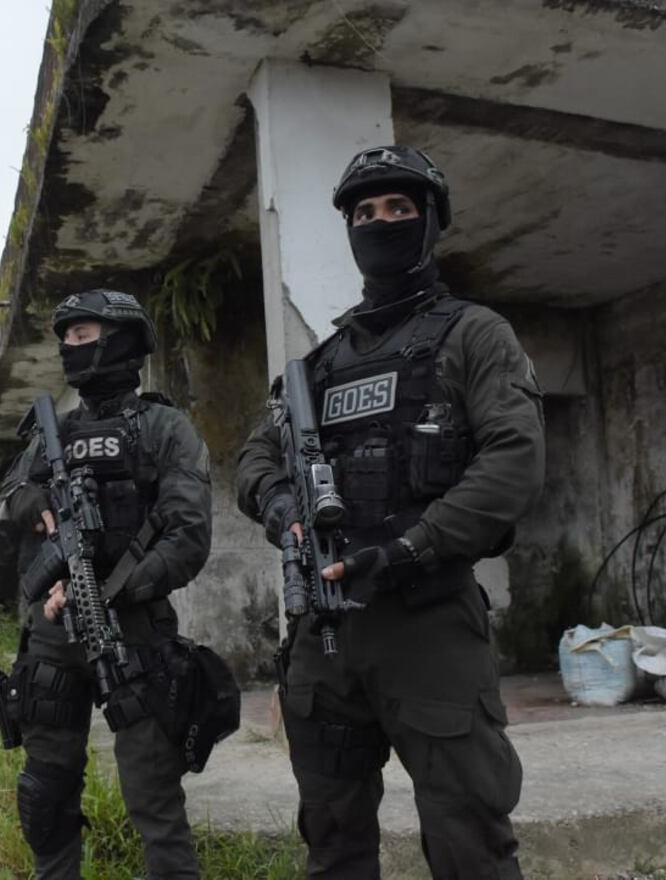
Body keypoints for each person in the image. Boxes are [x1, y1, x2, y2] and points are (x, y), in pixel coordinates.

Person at [235, 145, 545, 879]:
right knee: (333, 841)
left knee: (470, 839)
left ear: (431, 221)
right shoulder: (315, 368)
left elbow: (513, 464)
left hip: (428, 623)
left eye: (399, 208)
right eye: (365, 212)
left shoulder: (474, 335)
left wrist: (409, 548)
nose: (381, 222)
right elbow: (254, 461)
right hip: (326, 633)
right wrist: (288, 513)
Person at [0, 289, 212, 879]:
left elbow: (188, 539)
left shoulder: (163, 428)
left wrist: (107, 593)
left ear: (123, 342)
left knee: (154, 799)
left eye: (84, 335)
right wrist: (22, 503)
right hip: (54, 640)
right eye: (67, 337)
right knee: (45, 796)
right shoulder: (47, 437)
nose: (70, 346)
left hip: (131, 636)